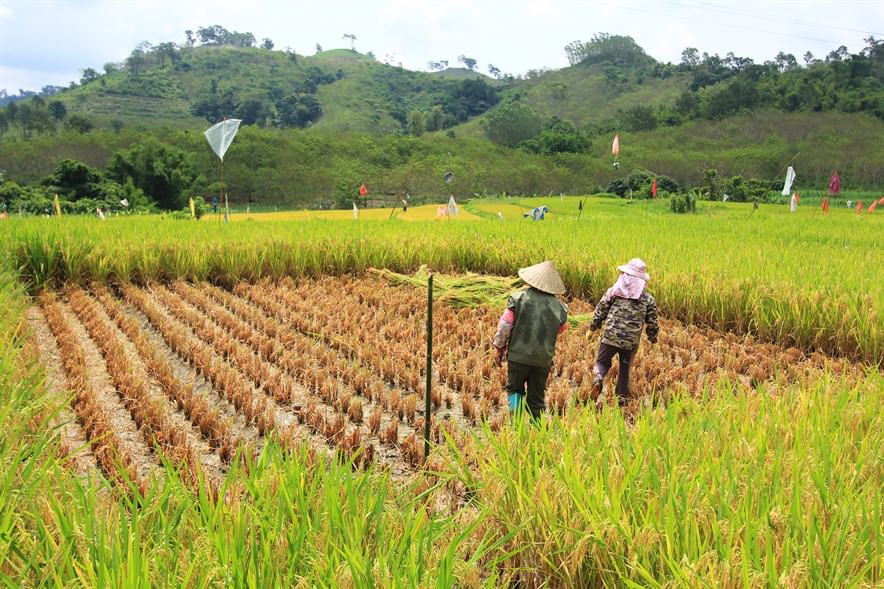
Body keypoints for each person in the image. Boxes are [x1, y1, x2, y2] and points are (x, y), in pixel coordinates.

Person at [492, 260, 569, 419]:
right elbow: (561, 329)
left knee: (515, 389)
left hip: (518, 358)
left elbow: (505, 326)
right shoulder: (560, 308)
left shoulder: (518, 299)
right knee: (536, 398)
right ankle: (540, 430)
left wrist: (499, 347)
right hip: (542, 361)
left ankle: (516, 425)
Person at [589, 258, 658, 408]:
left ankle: (598, 380)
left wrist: (593, 327)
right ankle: (621, 401)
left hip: (610, 337)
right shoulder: (648, 299)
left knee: (601, 363)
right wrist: (653, 338)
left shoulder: (614, 292)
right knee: (625, 370)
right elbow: (652, 322)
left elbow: (601, 310)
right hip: (630, 343)